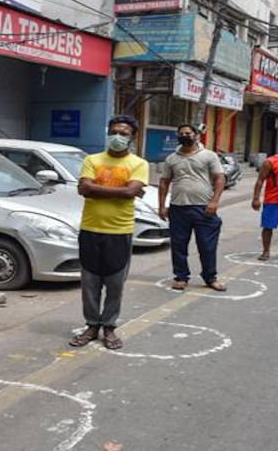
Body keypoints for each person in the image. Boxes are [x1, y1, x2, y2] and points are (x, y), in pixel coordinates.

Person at [69, 115, 148, 351]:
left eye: (124, 133)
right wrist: (123, 190)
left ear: (132, 137)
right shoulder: (92, 160)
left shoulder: (138, 164)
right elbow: (84, 189)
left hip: (119, 231)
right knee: (90, 284)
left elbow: (128, 192)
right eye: (114, 131)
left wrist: (97, 189)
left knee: (115, 284)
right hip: (90, 230)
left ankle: (109, 327)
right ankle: (92, 325)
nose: (118, 136)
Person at [157, 123, 226, 292]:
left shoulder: (209, 156)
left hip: (204, 208)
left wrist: (215, 201)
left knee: (207, 246)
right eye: (181, 133)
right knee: (179, 245)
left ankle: (210, 277)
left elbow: (219, 178)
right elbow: (164, 182)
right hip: (178, 208)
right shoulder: (171, 158)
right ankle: (181, 277)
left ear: (196, 135)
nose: (184, 136)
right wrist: (162, 206)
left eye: (188, 133)